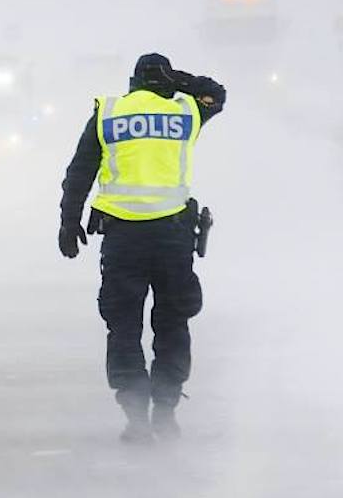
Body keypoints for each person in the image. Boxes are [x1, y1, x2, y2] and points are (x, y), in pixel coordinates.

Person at [58, 53, 226, 444]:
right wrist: (177, 81)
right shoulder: (186, 111)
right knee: (171, 322)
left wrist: (69, 222)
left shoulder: (109, 114)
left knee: (124, 326)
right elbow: (215, 93)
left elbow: (79, 172)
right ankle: (165, 410)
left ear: (133, 81)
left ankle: (135, 415)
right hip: (173, 238)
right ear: (166, 81)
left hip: (123, 242)